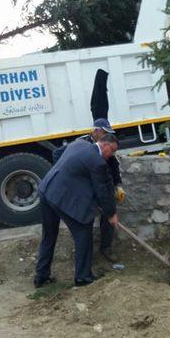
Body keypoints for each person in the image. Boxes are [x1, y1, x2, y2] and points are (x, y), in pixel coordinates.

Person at [34, 134, 120, 288]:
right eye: (112, 150)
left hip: (46, 190)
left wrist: (69, 177)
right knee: (84, 233)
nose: (111, 155)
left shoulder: (79, 144)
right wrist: (111, 214)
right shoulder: (97, 161)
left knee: (49, 235)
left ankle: (41, 276)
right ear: (105, 145)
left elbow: (58, 154)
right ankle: (83, 277)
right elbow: (103, 191)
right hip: (60, 197)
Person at [52, 118, 125, 263]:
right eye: (105, 132)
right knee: (85, 218)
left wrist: (118, 185)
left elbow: (113, 164)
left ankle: (106, 247)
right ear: (96, 131)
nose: (106, 135)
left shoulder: (107, 146)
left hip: (100, 184)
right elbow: (57, 154)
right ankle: (85, 254)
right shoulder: (81, 142)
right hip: (84, 186)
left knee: (108, 210)